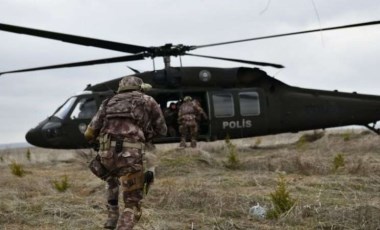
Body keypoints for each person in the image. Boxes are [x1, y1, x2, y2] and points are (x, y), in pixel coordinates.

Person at [84, 76, 167, 230]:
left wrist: (103, 145)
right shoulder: (147, 100)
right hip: (130, 157)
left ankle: (112, 216)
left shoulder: (108, 102)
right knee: (132, 204)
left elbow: (89, 133)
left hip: (106, 155)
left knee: (111, 178)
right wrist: (145, 136)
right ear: (140, 87)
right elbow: (162, 130)